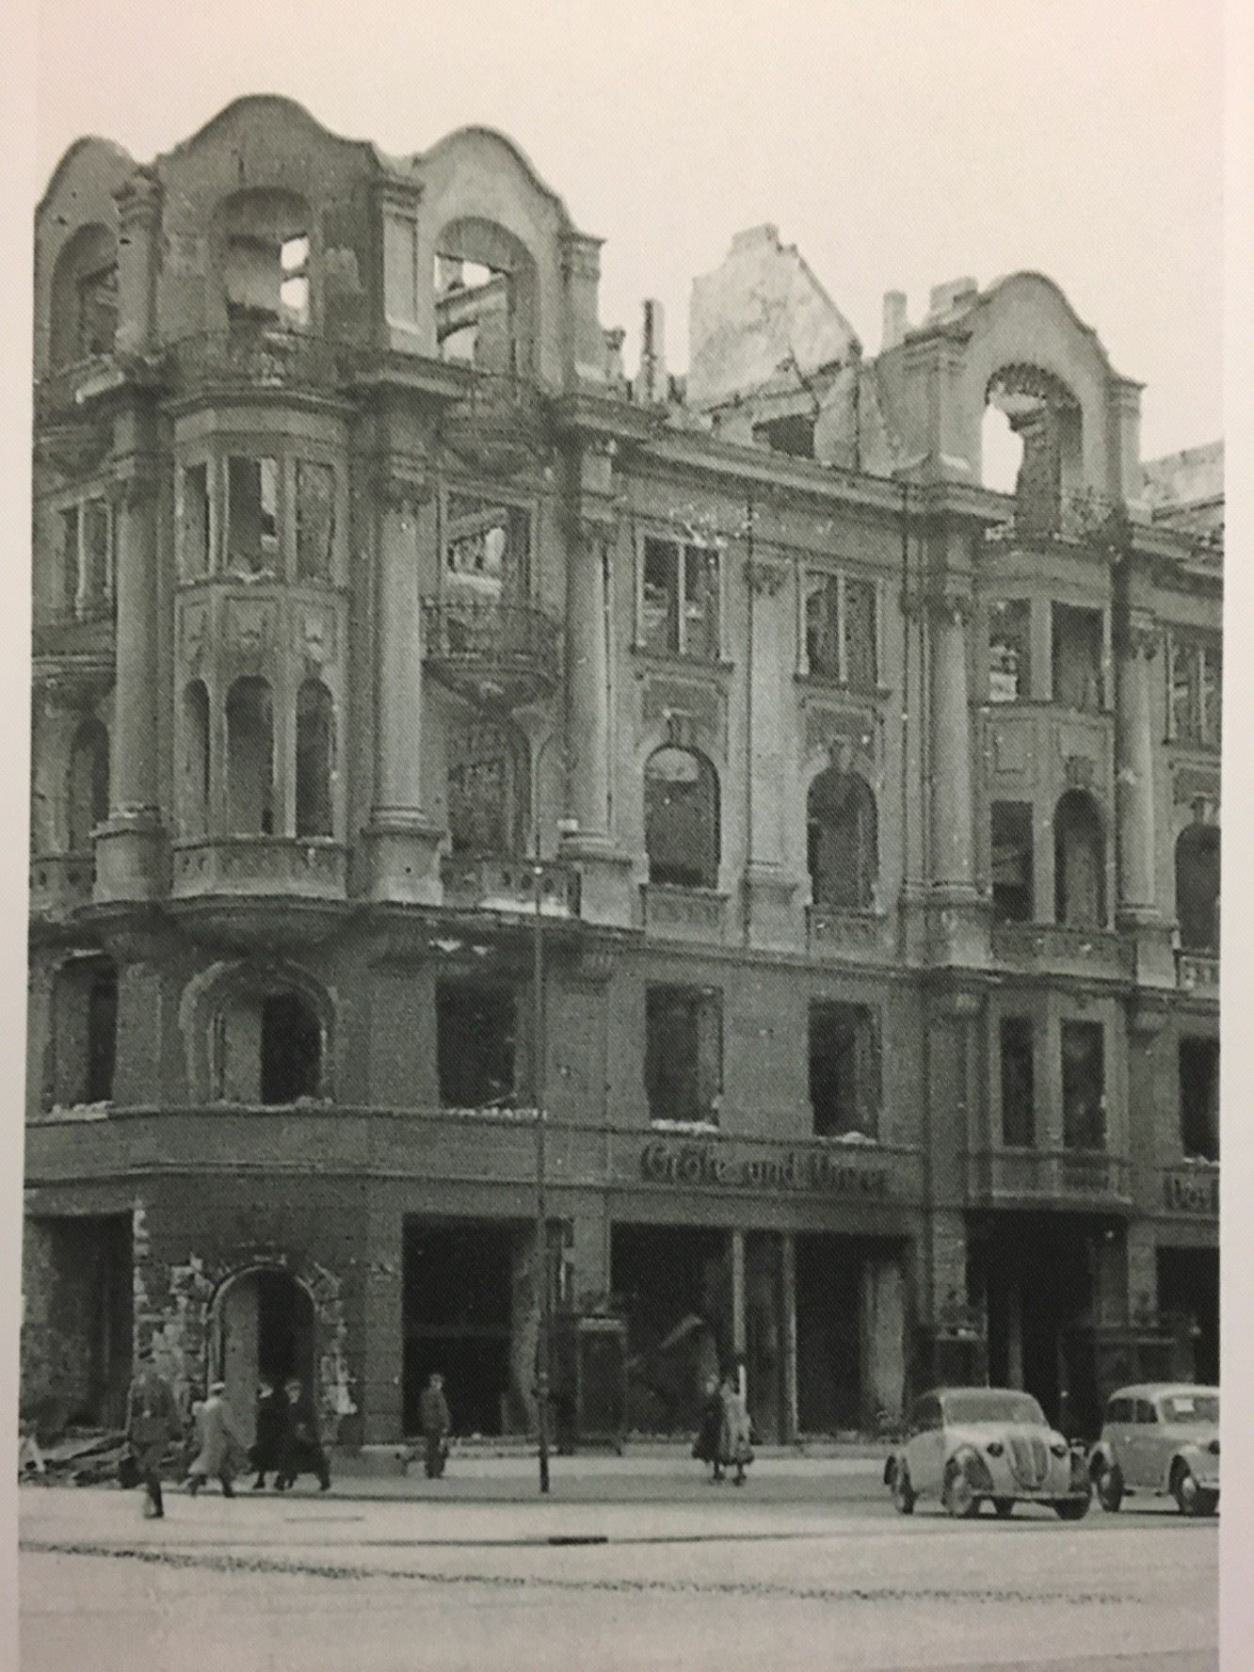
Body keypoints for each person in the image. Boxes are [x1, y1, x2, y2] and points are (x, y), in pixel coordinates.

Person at [124, 1353, 181, 1519]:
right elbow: (131, 1411)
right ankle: (152, 1503)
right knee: (144, 1469)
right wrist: (128, 1434)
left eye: (152, 1363)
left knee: (150, 1468)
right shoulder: (136, 1386)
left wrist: (176, 1432)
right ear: (141, 1365)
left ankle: (157, 1507)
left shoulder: (163, 1385)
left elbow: (171, 1408)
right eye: (146, 1363)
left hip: (158, 1433)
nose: (150, 1367)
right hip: (139, 1433)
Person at [186, 1382, 247, 1497]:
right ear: (222, 1392)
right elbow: (228, 1423)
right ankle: (195, 1482)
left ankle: (227, 1489)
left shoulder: (206, 1405)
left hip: (208, 1436)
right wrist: (238, 1438)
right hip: (220, 1437)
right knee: (215, 1463)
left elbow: (199, 1423)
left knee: (218, 1463)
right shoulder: (222, 1405)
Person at [275, 1378, 331, 1492]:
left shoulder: (305, 1403)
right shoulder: (289, 1404)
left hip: (305, 1438)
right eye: (289, 1391)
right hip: (293, 1438)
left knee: (315, 1460)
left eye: (292, 1390)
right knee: (287, 1459)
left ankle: (325, 1481)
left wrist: (305, 1428)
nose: (290, 1393)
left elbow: (311, 1419)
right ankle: (281, 1481)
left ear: (297, 1391)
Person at [251, 1376, 289, 1490]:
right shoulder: (260, 1396)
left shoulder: (277, 1397)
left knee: (276, 1456)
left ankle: (279, 1479)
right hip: (263, 1431)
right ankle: (261, 1479)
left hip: (273, 1432)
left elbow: (279, 1414)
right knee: (263, 1457)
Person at [719, 1371, 754, 1488]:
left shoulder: (736, 1400)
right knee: (728, 1452)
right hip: (728, 1429)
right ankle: (728, 1473)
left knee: (738, 1453)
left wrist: (743, 1432)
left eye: (724, 1388)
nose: (722, 1391)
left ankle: (739, 1474)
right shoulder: (726, 1402)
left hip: (736, 1430)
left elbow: (741, 1416)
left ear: (729, 1389)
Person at [418, 1372, 452, 1480]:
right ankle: (437, 1473)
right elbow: (442, 1411)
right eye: (440, 1382)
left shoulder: (424, 1394)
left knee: (430, 1448)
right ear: (436, 1383)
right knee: (439, 1449)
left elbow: (421, 1411)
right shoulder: (438, 1394)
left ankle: (429, 1471)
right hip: (437, 1426)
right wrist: (446, 1425)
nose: (441, 1385)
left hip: (427, 1426)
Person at [692, 1373, 725, 1482]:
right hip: (709, 1428)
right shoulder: (711, 1398)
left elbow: (713, 1412)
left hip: (713, 1428)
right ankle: (717, 1471)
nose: (708, 1387)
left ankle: (717, 1472)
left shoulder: (716, 1398)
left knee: (714, 1451)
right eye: (708, 1385)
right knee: (711, 1451)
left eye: (710, 1385)